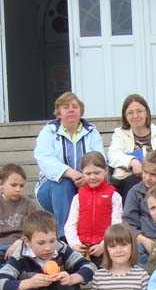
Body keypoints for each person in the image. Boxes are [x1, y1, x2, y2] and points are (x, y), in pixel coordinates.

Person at [34, 91, 104, 234]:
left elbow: (100, 158)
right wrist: (70, 173)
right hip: (52, 188)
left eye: (75, 106)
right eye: (66, 107)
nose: (71, 110)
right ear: (58, 113)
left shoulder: (92, 132)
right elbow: (44, 158)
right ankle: (64, 238)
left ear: (81, 111)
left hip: (86, 181)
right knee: (63, 184)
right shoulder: (49, 131)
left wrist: (87, 177)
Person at [107, 94, 156, 197]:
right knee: (133, 181)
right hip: (132, 177)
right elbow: (113, 155)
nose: (135, 116)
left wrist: (152, 167)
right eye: (130, 113)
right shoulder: (120, 134)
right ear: (125, 116)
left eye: (139, 111)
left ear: (146, 113)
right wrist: (133, 162)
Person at [63, 151, 123, 269]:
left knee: (106, 270)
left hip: (105, 247)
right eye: (88, 173)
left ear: (105, 171)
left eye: (97, 173)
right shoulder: (78, 197)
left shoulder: (114, 196)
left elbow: (116, 224)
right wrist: (75, 244)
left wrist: (104, 246)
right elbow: (70, 224)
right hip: (82, 248)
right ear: (82, 173)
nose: (92, 177)